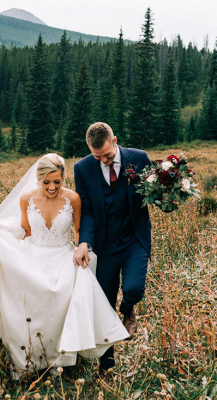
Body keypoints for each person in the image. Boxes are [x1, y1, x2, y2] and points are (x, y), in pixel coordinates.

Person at [0, 153, 128, 379]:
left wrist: (83, 247)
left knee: (65, 287)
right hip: (34, 252)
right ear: (38, 179)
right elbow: (25, 230)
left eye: (57, 182)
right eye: (46, 182)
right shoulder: (27, 199)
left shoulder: (73, 198)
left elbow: (80, 230)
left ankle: (60, 357)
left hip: (63, 254)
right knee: (22, 291)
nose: (52, 187)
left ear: (63, 178)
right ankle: (27, 357)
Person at [73, 122, 152, 374]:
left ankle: (128, 310)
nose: (104, 161)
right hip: (104, 246)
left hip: (134, 240)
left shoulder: (139, 159)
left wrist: (169, 197)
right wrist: (84, 242)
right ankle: (106, 365)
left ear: (115, 140)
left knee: (134, 287)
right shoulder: (82, 168)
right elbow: (86, 209)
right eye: (98, 157)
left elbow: (155, 193)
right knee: (104, 305)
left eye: (107, 155)